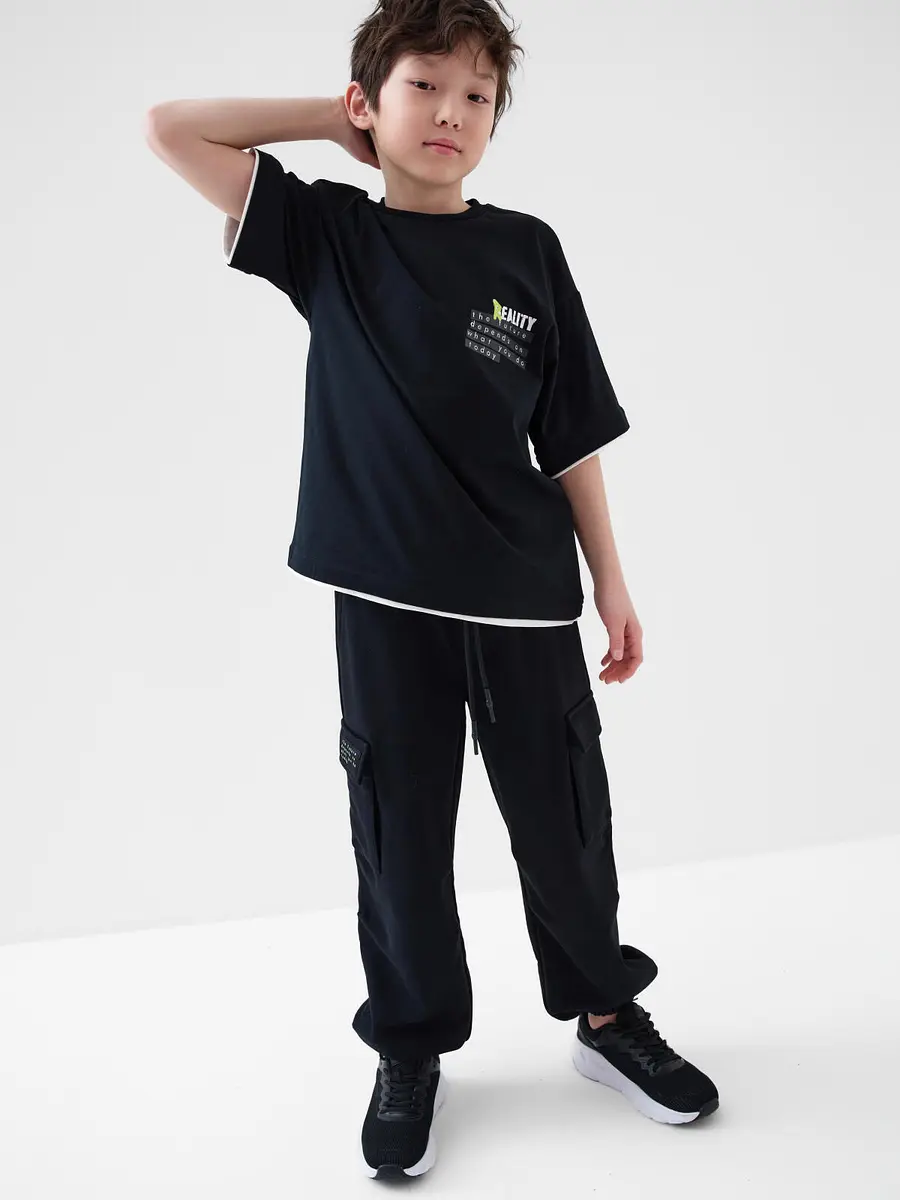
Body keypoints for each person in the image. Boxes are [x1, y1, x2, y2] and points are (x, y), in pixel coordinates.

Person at [145, 0, 719, 1179]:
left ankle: (607, 1016)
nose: (451, 112)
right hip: (385, 600)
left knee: (564, 824)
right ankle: (409, 1046)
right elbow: (171, 127)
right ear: (373, 100)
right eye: (424, 86)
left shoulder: (528, 251)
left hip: (524, 596)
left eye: (476, 97)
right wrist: (330, 120)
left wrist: (612, 582)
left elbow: (570, 433)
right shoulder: (328, 237)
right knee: (398, 834)